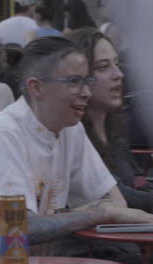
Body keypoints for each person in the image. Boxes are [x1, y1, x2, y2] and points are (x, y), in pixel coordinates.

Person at [0, 36, 153, 264]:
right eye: (73, 81)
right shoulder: (4, 134)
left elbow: (114, 202)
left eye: (87, 80)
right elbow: (18, 229)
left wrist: (94, 211)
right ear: (36, 87)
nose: (86, 92)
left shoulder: (71, 129)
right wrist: (98, 213)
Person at [60, 28, 153, 263]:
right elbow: (121, 196)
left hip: (126, 244)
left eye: (116, 64)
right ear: (77, 77)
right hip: (92, 251)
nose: (118, 74)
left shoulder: (114, 131)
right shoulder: (70, 133)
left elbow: (137, 185)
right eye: (103, 67)